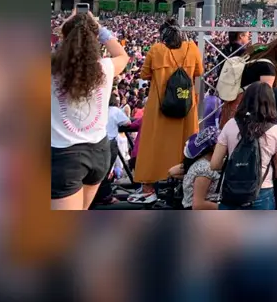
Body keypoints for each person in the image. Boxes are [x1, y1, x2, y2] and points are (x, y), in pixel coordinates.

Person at [51, 11, 129, 210]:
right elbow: (122, 55)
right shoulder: (104, 67)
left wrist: (66, 25)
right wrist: (98, 28)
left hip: (64, 156)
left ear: (64, 38)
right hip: (98, 151)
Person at [132, 19, 204, 190]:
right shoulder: (192, 48)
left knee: (153, 144)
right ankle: (184, 184)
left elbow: (145, 74)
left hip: (160, 106)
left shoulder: (156, 50)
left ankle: (149, 186)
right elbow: (199, 72)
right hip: (185, 104)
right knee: (186, 143)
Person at [211, 83, 277, 210]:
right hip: (262, 192)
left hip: (232, 191)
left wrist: (235, 166)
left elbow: (214, 164)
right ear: (271, 102)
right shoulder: (276, 131)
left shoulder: (230, 124)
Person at [220, 34, 277, 128]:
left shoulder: (259, 51)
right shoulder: (268, 68)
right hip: (244, 110)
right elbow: (264, 97)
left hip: (233, 102)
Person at [179, 126, 221, 210]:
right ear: (214, 147)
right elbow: (198, 205)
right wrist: (226, 208)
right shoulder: (205, 168)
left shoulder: (200, 163)